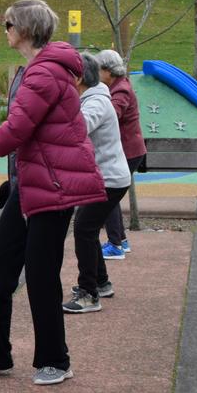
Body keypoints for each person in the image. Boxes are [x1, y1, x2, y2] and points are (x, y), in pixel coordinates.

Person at [0, 0, 104, 385]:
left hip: (54, 186)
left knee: (41, 273)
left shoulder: (44, 73)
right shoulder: (38, 69)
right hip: (33, 182)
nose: (5, 30)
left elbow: (16, 129)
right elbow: (33, 136)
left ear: (25, 30)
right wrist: (11, 181)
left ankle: (55, 360)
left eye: (8, 24)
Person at [63, 52, 132, 314]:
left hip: (109, 179)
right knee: (86, 227)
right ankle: (100, 283)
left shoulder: (96, 104)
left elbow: (75, 131)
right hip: (107, 177)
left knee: (83, 228)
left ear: (79, 78)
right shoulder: (94, 98)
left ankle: (89, 294)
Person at [94, 49, 145, 260]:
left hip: (127, 151)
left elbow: (112, 114)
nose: (96, 73)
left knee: (108, 195)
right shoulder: (117, 86)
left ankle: (116, 244)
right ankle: (120, 240)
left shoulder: (120, 90)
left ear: (108, 71)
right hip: (128, 150)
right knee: (110, 195)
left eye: (98, 69)